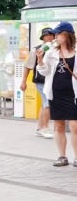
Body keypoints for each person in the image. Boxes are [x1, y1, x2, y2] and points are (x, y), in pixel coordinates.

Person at [36, 21, 77, 167]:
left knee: (74, 126)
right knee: (59, 125)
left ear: (67, 34)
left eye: (58, 34)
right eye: (56, 34)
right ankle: (62, 156)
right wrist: (40, 60)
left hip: (74, 94)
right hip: (56, 93)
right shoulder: (52, 52)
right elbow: (44, 72)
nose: (56, 37)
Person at [22, 28, 55, 138]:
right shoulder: (36, 50)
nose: (50, 37)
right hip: (41, 81)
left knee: (44, 104)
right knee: (47, 103)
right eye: (47, 35)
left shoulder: (55, 48)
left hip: (52, 80)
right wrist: (23, 82)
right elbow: (28, 66)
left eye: (52, 35)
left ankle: (40, 128)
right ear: (43, 37)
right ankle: (45, 127)